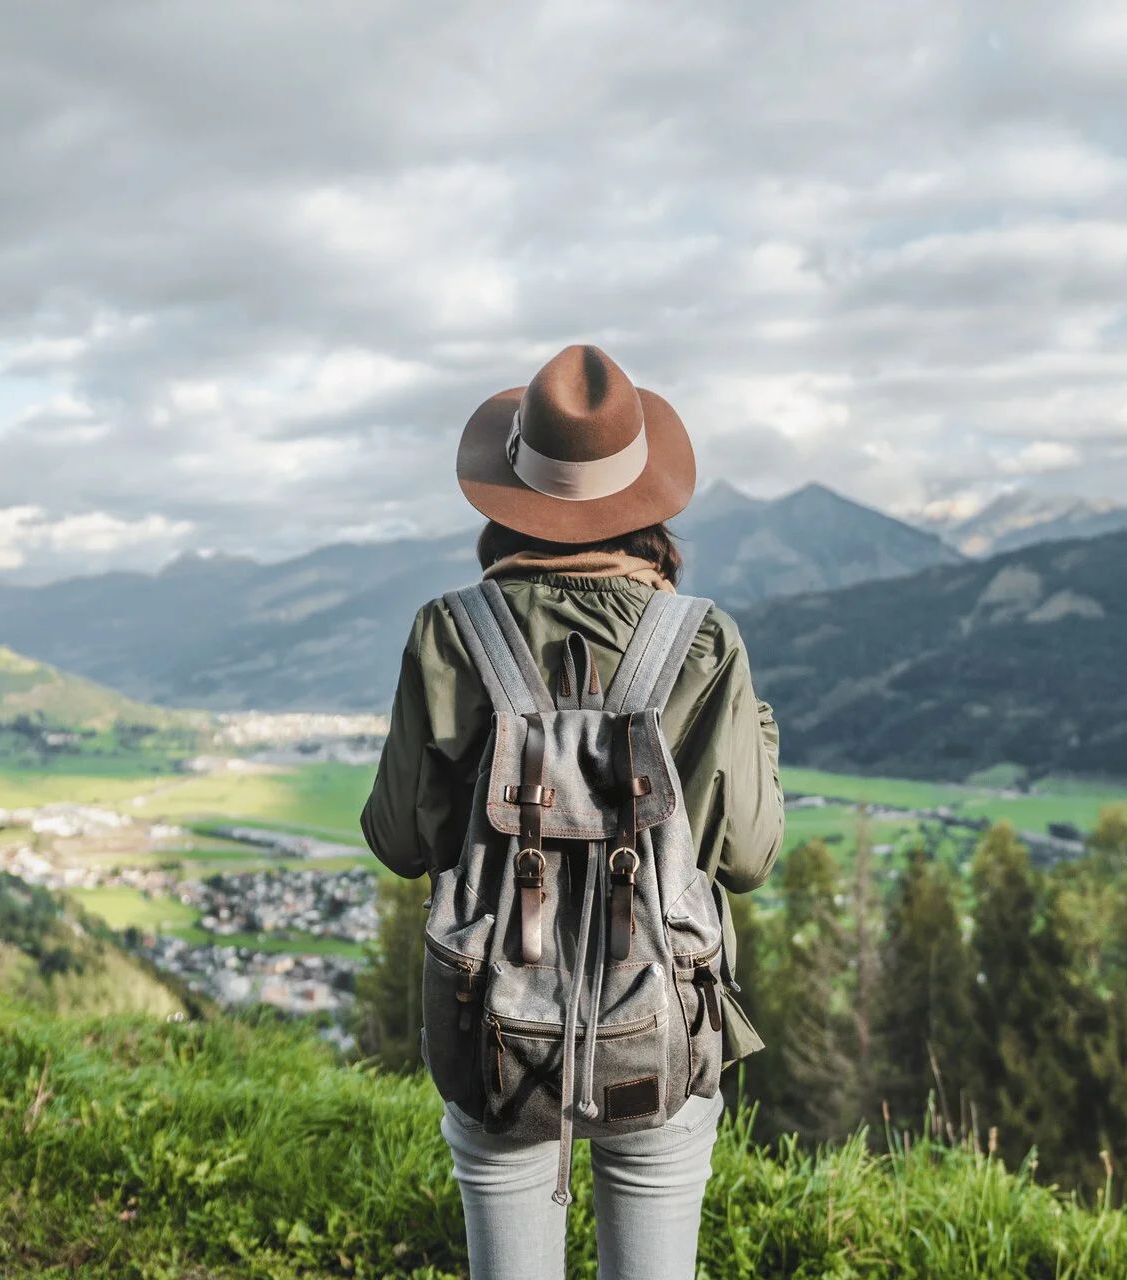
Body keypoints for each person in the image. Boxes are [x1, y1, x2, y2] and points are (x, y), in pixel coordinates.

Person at [361, 344, 784, 1280]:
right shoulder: (703, 639)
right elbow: (749, 856)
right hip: (663, 1016)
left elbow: (398, 839)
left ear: (513, 489)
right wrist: (755, 730)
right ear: (646, 499)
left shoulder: (449, 630)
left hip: (494, 1024)